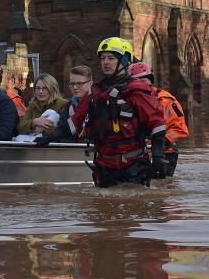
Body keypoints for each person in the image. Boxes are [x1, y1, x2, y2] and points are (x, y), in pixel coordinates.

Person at [43, 37, 167, 187]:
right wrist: (49, 137)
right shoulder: (95, 92)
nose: (105, 62)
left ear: (124, 60)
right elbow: (76, 120)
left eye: (111, 58)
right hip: (104, 165)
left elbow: (157, 125)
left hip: (133, 165)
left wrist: (159, 158)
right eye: (102, 58)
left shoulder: (136, 90)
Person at [128, 61, 189, 177]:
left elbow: (180, 129)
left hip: (164, 153)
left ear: (151, 81)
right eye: (136, 82)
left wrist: (161, 143)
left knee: (161, 186)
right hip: (137, 153)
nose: (140, 85)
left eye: (143, 80)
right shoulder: (128, 100)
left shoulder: (166, 100)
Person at [46, 65, 93, 143]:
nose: (75, 87)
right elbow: (62, 133)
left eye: (79, 83)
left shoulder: (98, 104)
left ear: (90, 83)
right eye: (72, 84)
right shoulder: (68, 107)